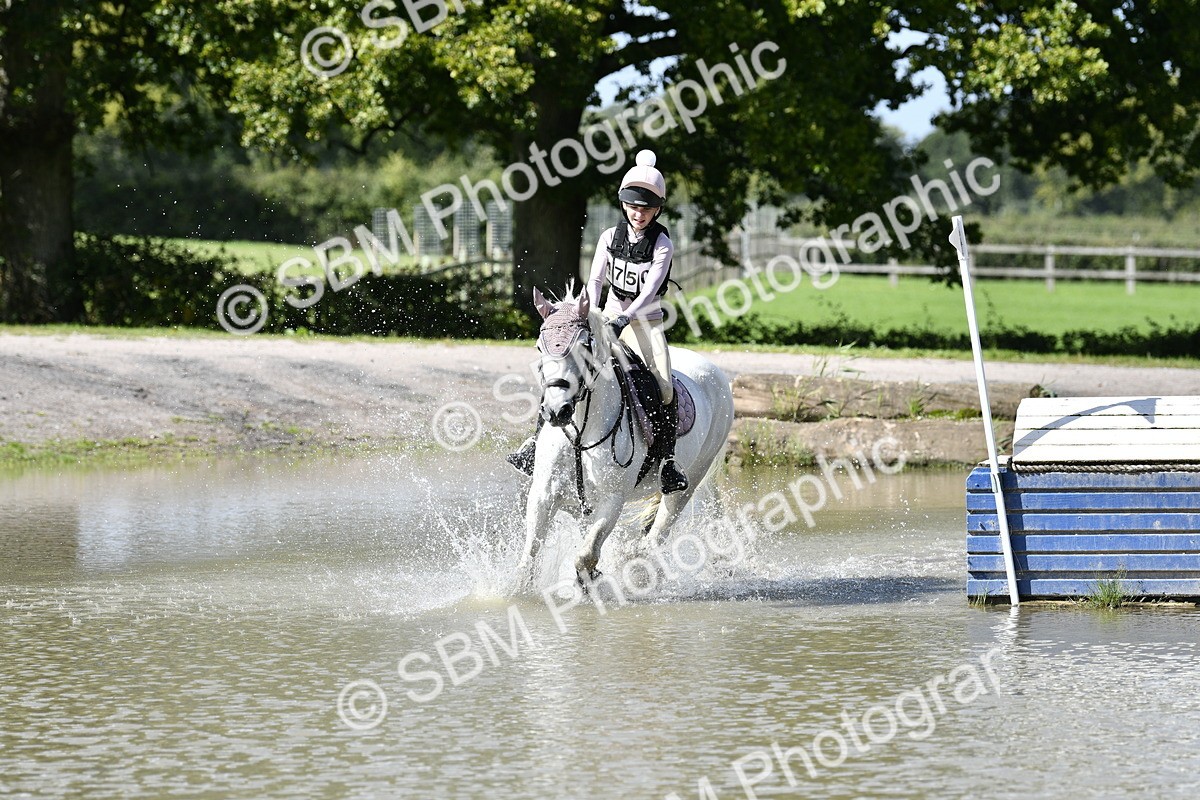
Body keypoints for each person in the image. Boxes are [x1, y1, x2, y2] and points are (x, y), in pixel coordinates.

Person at [507, 149, 689, 495]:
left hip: (645, 324)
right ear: (624, 205)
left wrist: (624, 319)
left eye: (646, 208)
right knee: (565, 367)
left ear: (657, 210)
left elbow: (649, 291)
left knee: (665, 388)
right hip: (606, 316)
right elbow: (594, 281)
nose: (639, 214)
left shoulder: (662, 244)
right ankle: (534, 444)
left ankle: (667, 462)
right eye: (633, 207)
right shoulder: (609, 237)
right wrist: (587, 311)